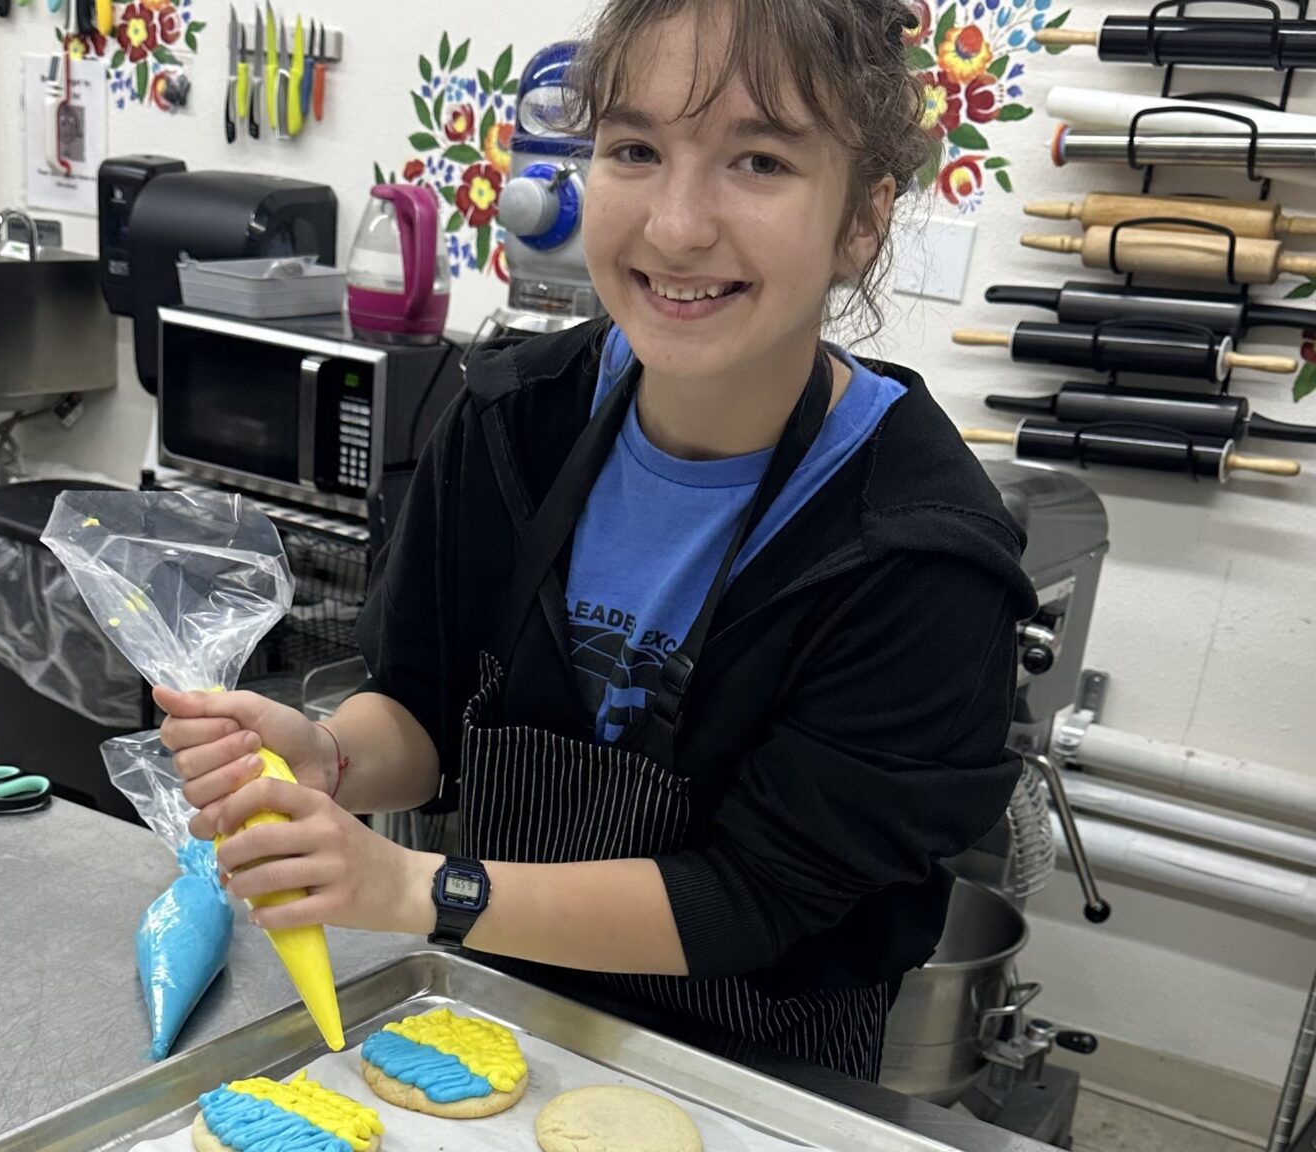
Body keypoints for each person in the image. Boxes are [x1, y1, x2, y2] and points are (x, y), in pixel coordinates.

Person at [155, 0, 1038, 1082]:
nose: (676, 225)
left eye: (758, 161)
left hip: (753, 1072)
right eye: (635, 149)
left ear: (861, 220)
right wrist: (334, 756)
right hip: (487, 1014)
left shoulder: (918, 556)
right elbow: (426, 703)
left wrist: (417, 889)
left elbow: (758, 896)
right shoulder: (510, 422)